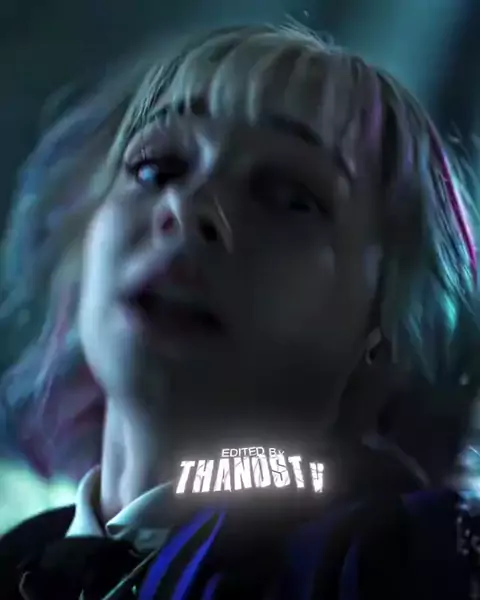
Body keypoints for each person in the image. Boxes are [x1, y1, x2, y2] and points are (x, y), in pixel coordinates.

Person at [0, 23, 479, 599]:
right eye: (156, 168)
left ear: (387, 325)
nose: (189, 206)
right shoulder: (17, 559)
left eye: (288, 197)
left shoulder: (404, 569)